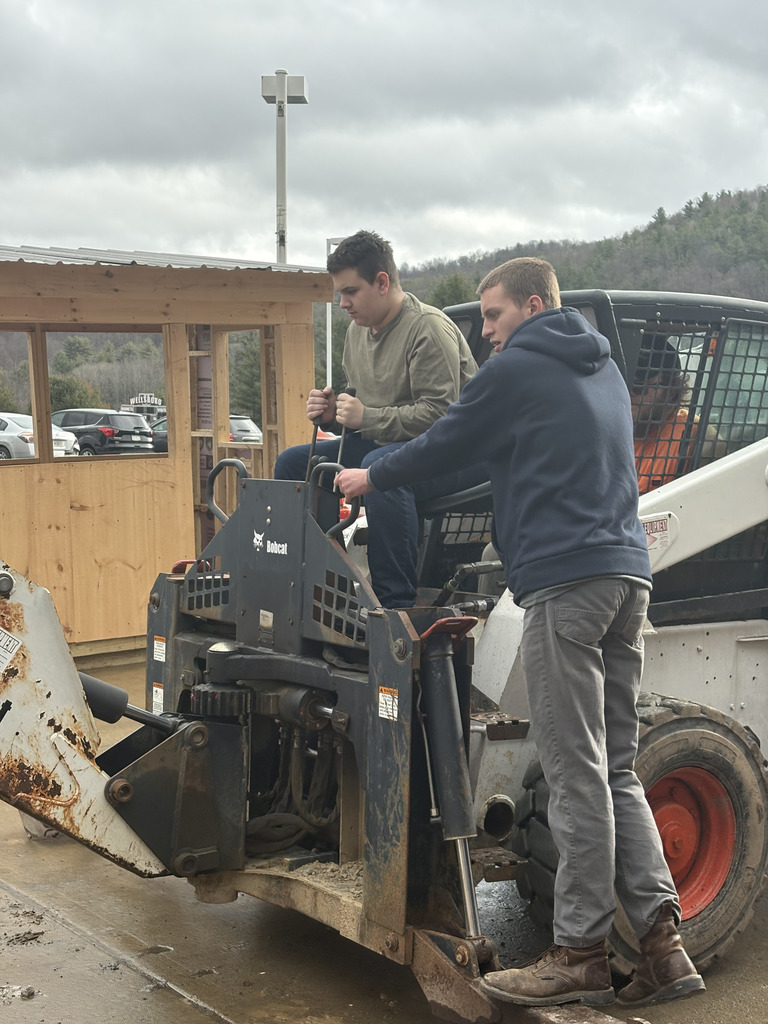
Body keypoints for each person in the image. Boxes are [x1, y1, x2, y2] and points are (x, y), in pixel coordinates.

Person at [335, 257, 705, 1010]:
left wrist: (369, 477)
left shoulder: (517, 369)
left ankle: (579, 953)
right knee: (618, 767)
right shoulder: (601, 369)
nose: (488, 335)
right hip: (626, 577)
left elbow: (445, 442)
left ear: (534, 306)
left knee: (574, 771)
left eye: (495, 318)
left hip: (565, 584)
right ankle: (665, 951)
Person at [273, 229, 486, 608]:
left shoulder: (428, 329)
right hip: (386, 445)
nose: (342, 303)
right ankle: (327, 588)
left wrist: (365, 419)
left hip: (457, 455)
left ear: (382, 282)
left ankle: (395, 607)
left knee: (381, 467)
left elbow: (442, 417)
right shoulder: (356, 333)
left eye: (351, 292)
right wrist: (333, 415)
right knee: (294, 462)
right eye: (339, 293)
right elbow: (359, 409)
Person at [632, 334, 726, 492]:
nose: (629, 393)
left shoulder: (696, 436)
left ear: (672, 393)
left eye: (639, 387)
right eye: (625, 383)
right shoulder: (612, 431)